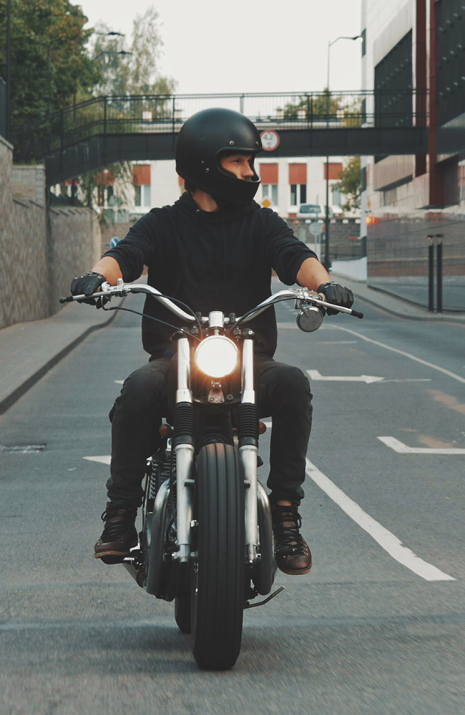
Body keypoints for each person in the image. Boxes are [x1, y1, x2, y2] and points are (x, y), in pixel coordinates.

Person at [70, 108, 354, 576]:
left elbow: (294, 256)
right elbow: (127, 254)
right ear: (203, 165)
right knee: (137, 390)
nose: (250, 172)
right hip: (174, 362)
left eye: (250, 162)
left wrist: (323, 286)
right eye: (237, 161)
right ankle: (119, 514)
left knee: (293, 386)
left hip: (247, 363)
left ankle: (284, 513)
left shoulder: (261, 224)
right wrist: (98, 278)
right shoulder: (162, 223)